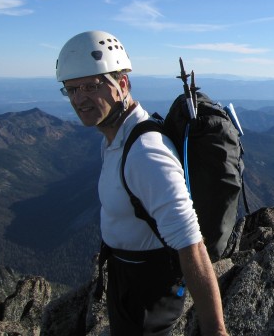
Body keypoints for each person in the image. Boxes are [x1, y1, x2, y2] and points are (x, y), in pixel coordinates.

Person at [56, 30, 228, 336]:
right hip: (128, 283)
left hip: (149, 297)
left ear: (122, 85)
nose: (79, 99)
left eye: (91, 86)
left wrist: (216, 332)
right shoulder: (116, 137)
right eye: (71, 90)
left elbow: (193, 247)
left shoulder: (146, 154)